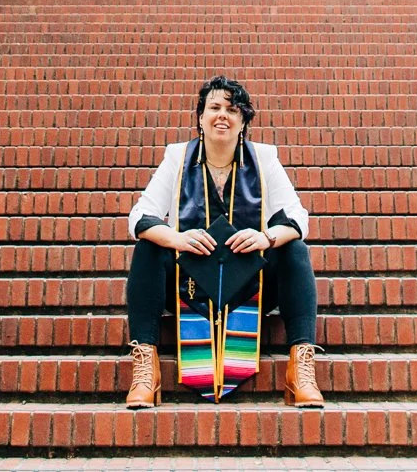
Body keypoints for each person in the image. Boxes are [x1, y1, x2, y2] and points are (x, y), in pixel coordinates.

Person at [123, 75, 322, 408]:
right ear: (200, 117)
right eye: (214, 107)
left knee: (294, 249)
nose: (222, 116)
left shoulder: (264, 159)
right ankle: (146, 367)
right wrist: (177, 238)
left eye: (232, 110)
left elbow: (298, 218)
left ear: (243, 121)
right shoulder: (177, 157)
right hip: (187, 286)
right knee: (148, 247)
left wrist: (266, 237)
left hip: (250, 284)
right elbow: (140, 217)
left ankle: (300, 369)